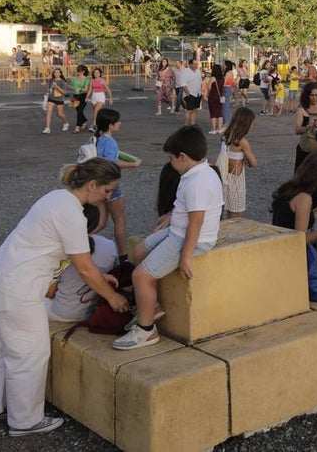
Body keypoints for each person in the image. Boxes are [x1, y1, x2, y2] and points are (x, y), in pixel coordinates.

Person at [0, 158, 129, 437]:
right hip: (17, 292)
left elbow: (67, 257)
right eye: (107, 191)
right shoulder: (72, 213)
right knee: (29, 355)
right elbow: (83, 265)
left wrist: (97, 276)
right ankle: (25, 420)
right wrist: (113, 297)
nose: (107, 197)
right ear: (92, 185)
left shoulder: (55, 198)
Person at [114, 126, 222, 350]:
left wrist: (185, 256)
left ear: (182, 157)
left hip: (189, 239)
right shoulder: (198, 172)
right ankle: (150, 306)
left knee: (141, 276)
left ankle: (146, 330)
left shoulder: (197, 182)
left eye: (171, 158)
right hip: (179, 231)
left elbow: (196, 222)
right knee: (139, 251)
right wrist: (173, 216)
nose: (170, 162)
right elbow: (190, 211)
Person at [46, 204, 119, 322]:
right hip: (94, 311)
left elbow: (49, 293)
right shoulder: (109, 245)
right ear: (96, 222)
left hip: (63, 313)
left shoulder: (63, 250)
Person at [93, 107, 141, 258]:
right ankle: (123, 255)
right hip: (111, 185)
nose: (120, 123)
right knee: (119, 220)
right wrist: (133, 164)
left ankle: (80, 241)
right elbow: (112, 161)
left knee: (100, 222)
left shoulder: (95, 139)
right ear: (110, 125)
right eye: (117, 121)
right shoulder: (110, 141)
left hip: (98, 184)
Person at [220, 107, 258, 219]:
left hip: (226, 177)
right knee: (236, 215)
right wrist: (246, 160)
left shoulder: (226, 137)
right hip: (237, 180)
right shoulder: (242, 142)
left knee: (227, 212)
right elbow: (254, 163)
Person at [42, 67, 71, 133]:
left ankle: (66, 123)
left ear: (60, 74)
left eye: (57, 72)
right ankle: (47, 128)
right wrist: (47, 93)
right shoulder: (51, 80)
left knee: (60, 113)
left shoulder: (62, 81)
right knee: (49, 112)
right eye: (55, 72)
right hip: (51, 98)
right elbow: (49, 89)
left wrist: (57, 87)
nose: (56, 73)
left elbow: (64, 92)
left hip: (59, 99)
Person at [181, 61, 204, 127]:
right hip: (190, 93)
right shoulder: (185, 72)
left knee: (195, 109)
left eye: (196, 64)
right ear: (190, 64)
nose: (196, 65)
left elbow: (200, 81)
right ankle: (186, 125)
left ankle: (193, 124)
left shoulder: (198, 71)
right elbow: (183, 84)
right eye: (194, 64)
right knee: (189, 110)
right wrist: (187, 93)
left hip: (198, 93)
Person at [70, 65, 91, 134]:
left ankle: (77, 127)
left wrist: (80, 89)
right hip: (75, 96)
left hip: (83, 96)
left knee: (80, 110)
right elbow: (73, 87)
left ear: (83, 71)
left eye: (79, 71)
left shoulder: (86, 79)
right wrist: (72, 88)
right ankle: (84, 121)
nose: (77, 72)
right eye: (77, 70)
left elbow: (86, 89)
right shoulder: (74, 79)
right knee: (78, 111)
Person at [205, 63, 224, 135]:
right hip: (220, 97)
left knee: (213, 113)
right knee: (219, 113)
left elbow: (209, 88)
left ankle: (213, 129)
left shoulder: (213, 78)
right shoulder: (222, 78)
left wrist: (207, 95)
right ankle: (219, 128)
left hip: (213, 97)